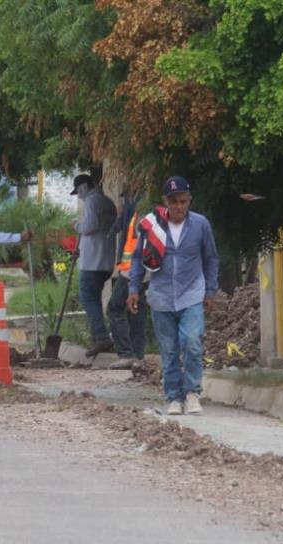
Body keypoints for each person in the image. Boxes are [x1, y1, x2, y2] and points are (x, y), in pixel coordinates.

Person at [127, 176, 218, 415]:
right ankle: (173, 397)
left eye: (184, 201)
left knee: (191, 342)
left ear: (190, 201)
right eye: (174, 202)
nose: (179, 207)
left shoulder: (200, 225)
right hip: (161, 297)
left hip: (192, 294)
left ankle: (192, 393)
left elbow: (210, 258)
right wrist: (134, 288)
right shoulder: (153, 226)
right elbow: (137, 258)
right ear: (165, 201)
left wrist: (210, 290)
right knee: (168, 350)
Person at [71, 173, 117, 357]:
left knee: (88, 298)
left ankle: (101, 337)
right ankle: (100, 337)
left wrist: (76, 226)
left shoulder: (92, 201)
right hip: (105, 261)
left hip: (92, 262)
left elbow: (90, 226)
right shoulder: (108, 203)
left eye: (79, 192)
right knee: (94, 299)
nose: (79, 196)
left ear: (83, 187)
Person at [107, 193, 149, 369]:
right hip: (139, 270)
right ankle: (137, 355)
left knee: (115, 307)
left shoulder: (143, 214)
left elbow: (141, 244)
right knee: (137, 311)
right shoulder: (137, 211)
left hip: (134, 271)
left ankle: (126, 354)